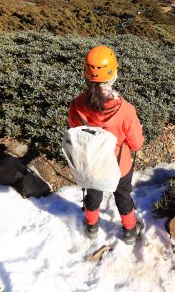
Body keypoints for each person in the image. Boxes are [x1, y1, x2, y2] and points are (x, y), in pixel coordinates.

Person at [68, 45, 145, 245]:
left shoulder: (76, 105)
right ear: (114, 76)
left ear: (85, 75)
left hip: (91, 165)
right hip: (119, 165)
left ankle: (91, 227)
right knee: (123, 195)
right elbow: (136, 144)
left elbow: (76, 131)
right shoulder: (126, 110)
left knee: (93, 195)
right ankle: (129, 231)